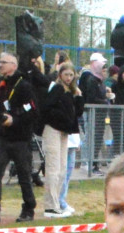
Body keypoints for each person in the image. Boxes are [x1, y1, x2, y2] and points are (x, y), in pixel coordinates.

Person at [0, 52, 37, 222]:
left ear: (13, 65)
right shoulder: (1, 84)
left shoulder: (24, 85)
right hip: (4, 138)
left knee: (24, 175)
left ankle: (28, 209)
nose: (0, 65)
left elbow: (33, 111)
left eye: (3, 62)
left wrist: (15, 120)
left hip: (20, 139)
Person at [40, 61, 83, 218]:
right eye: (66, 75)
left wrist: (79, 97)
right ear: (60, 75)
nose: (69, 78)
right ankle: (50, 206)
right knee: (53, 168)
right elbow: (46, 108)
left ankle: (58, 202)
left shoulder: (70, 92)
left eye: (71, 75)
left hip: (65, 132)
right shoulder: (57, 89)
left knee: (62, 169)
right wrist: (58, 119)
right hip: (53, 130)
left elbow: (78, 113)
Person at [80, 52, 113, 175]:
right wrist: (105, 102)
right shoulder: (91, 80)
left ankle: (94, 164)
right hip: (93, 114)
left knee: (98, 139)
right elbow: (91, 97)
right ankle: (88, 163)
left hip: (100, 115)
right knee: (91, 138)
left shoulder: (100, 81)